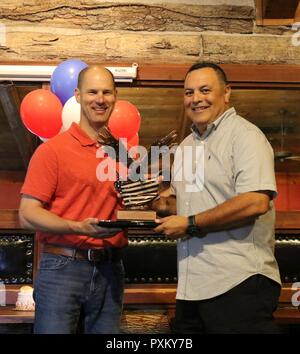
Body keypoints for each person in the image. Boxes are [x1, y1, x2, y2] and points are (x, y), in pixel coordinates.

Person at [153, 62, 282, 334]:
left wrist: (189, 223)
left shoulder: (246, 136)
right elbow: (188, 202)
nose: (196, 98)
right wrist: (159, 203)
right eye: (189, 92)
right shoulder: (187, 146)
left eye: (205, 90)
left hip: (239, 282)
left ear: (226, 93)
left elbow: (255, 201)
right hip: (192, 285)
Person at [19, 65, 127, 334]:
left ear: (115, 96)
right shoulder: (52, 151)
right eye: (92, 92)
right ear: (78, 95)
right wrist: (77, 227)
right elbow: (27, 213)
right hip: (62, 268)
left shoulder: (123, 154)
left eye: (106, 92)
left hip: (111, 268)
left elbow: (132, 205)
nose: (99, 99)